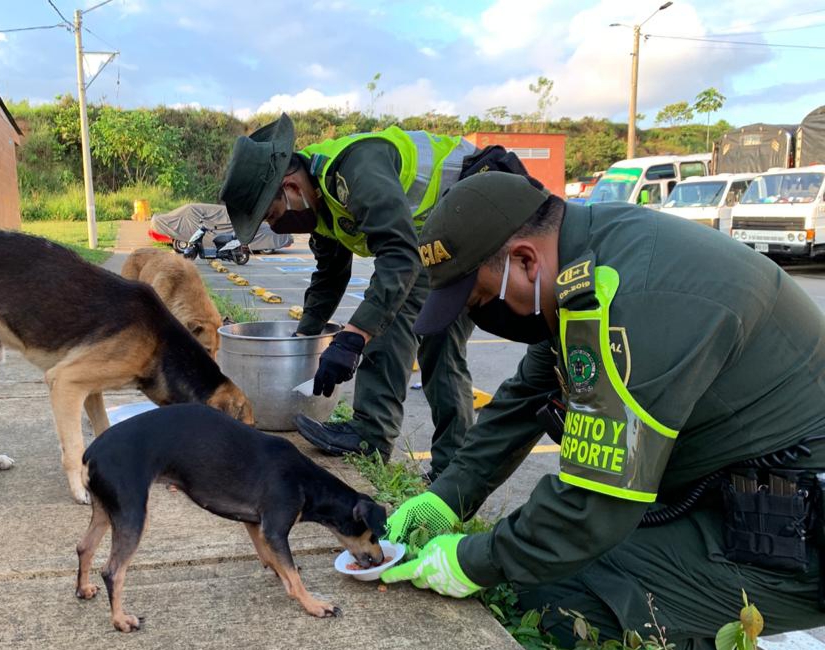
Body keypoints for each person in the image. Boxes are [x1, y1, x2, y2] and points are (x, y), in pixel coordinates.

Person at [379, 171, 825, 648]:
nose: (481, 316)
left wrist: (473, 561)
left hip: (790, 531)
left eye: (483, 299)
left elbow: (595, 503)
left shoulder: (639, 299)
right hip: (735, 493)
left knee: (561, 598)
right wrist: (446, 497)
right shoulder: (588, 261)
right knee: (545, 560)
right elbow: (523, 397)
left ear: (525, 260)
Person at [219, 113, 538, 479]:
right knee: (418, 334)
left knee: (411, 330)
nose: (274, 226)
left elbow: (400, 255)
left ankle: (397, 445)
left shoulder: (356, 170)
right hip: (435, 234)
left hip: (478, 208)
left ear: (290, 187)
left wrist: (355, 336)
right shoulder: (322, 200)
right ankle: (429, 457)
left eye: (272, 215)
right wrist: (305, 336)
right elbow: (329, 275)